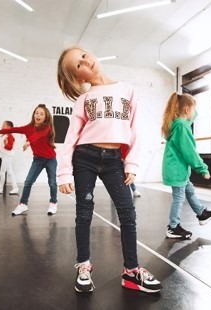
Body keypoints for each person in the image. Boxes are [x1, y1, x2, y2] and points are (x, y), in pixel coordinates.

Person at [56, 46, 161, 294]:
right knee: (84, 213)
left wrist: (132, 164)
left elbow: (135, 130)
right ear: (79, 78)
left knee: (127, 213)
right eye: (78, 65)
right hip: (85, 158)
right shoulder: (84, 99)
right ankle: (83, 266)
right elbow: (71, 137)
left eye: (83, 56)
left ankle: (132, 272)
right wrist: (63, 172)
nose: (85, 61)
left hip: (115, 160)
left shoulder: (127, 90)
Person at [161, 93, 211, 239]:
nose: (194, 113)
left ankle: (201, 214)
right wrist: (202, 168)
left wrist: (191, 103)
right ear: (187, 110)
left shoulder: (178, 123)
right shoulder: (182, 127)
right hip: (177, 169)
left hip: (177, 168)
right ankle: (173, 227)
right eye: (193, 109)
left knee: (190, 190)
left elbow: (192, 116)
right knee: (178, 198)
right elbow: (189, 152)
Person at [0, 104, 57, 216]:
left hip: (51, 159)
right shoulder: (28, 128)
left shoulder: (47, 128)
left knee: (52, 182)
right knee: (28, 182)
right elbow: (15, 129)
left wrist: (28, 142)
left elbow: (38, 135)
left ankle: (53, 203)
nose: (38, 115)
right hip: (38, 160)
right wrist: (1, 131)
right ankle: (23, 204)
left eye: (41, 114)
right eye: (36, 113)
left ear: (46, 117)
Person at [0, 120, 19, 195]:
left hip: (7, 157)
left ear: (9, 127)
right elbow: (2, 148)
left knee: (2, 172)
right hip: (5, 156)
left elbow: (9, 147)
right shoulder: (4, 136)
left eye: (3, 126)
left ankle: (0, 188)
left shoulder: (9, 136)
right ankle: (15, 188)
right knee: (10, 172)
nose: (2, 127)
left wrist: (5, 143)